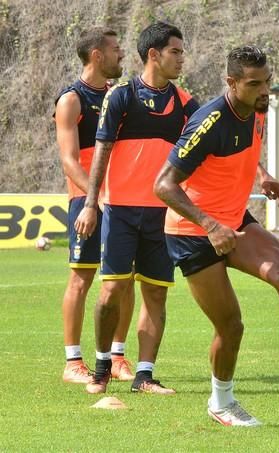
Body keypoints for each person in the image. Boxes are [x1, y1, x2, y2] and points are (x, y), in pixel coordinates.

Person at [154, 45, 279, 427]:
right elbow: (163, 185)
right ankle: (221, 403)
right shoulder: (208, 121)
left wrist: (262, 175)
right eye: (255, 84)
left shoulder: (257, 108)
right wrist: (210, 225)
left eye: (268, 81)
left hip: (234, 218)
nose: (265, 90)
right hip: (193, 232)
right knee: (231, 325)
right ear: (231, 83)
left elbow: (244, 145)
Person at [75, 21, 199, 395]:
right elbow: (102, 151)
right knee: (111, 291)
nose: (181, 58)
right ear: (153, 54)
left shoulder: (183, 101)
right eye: (175, 51)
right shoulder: (122, 96)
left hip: (163, 215)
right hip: (120, 211)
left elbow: (213, 129)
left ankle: (144, 376)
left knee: (156, 293)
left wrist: (261, 170)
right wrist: (91, 204)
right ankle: (101, 369)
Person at [54, 27, 136, 385]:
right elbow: (69, 160)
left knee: (125, 279)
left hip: (121, 200)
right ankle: (73, 362)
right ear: (97, 56)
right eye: (116, 49)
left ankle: (117, 356)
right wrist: (95, 197)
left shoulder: (120, 97)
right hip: (86, 200)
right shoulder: (71, 99)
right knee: (82, 277)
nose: (122, 55)